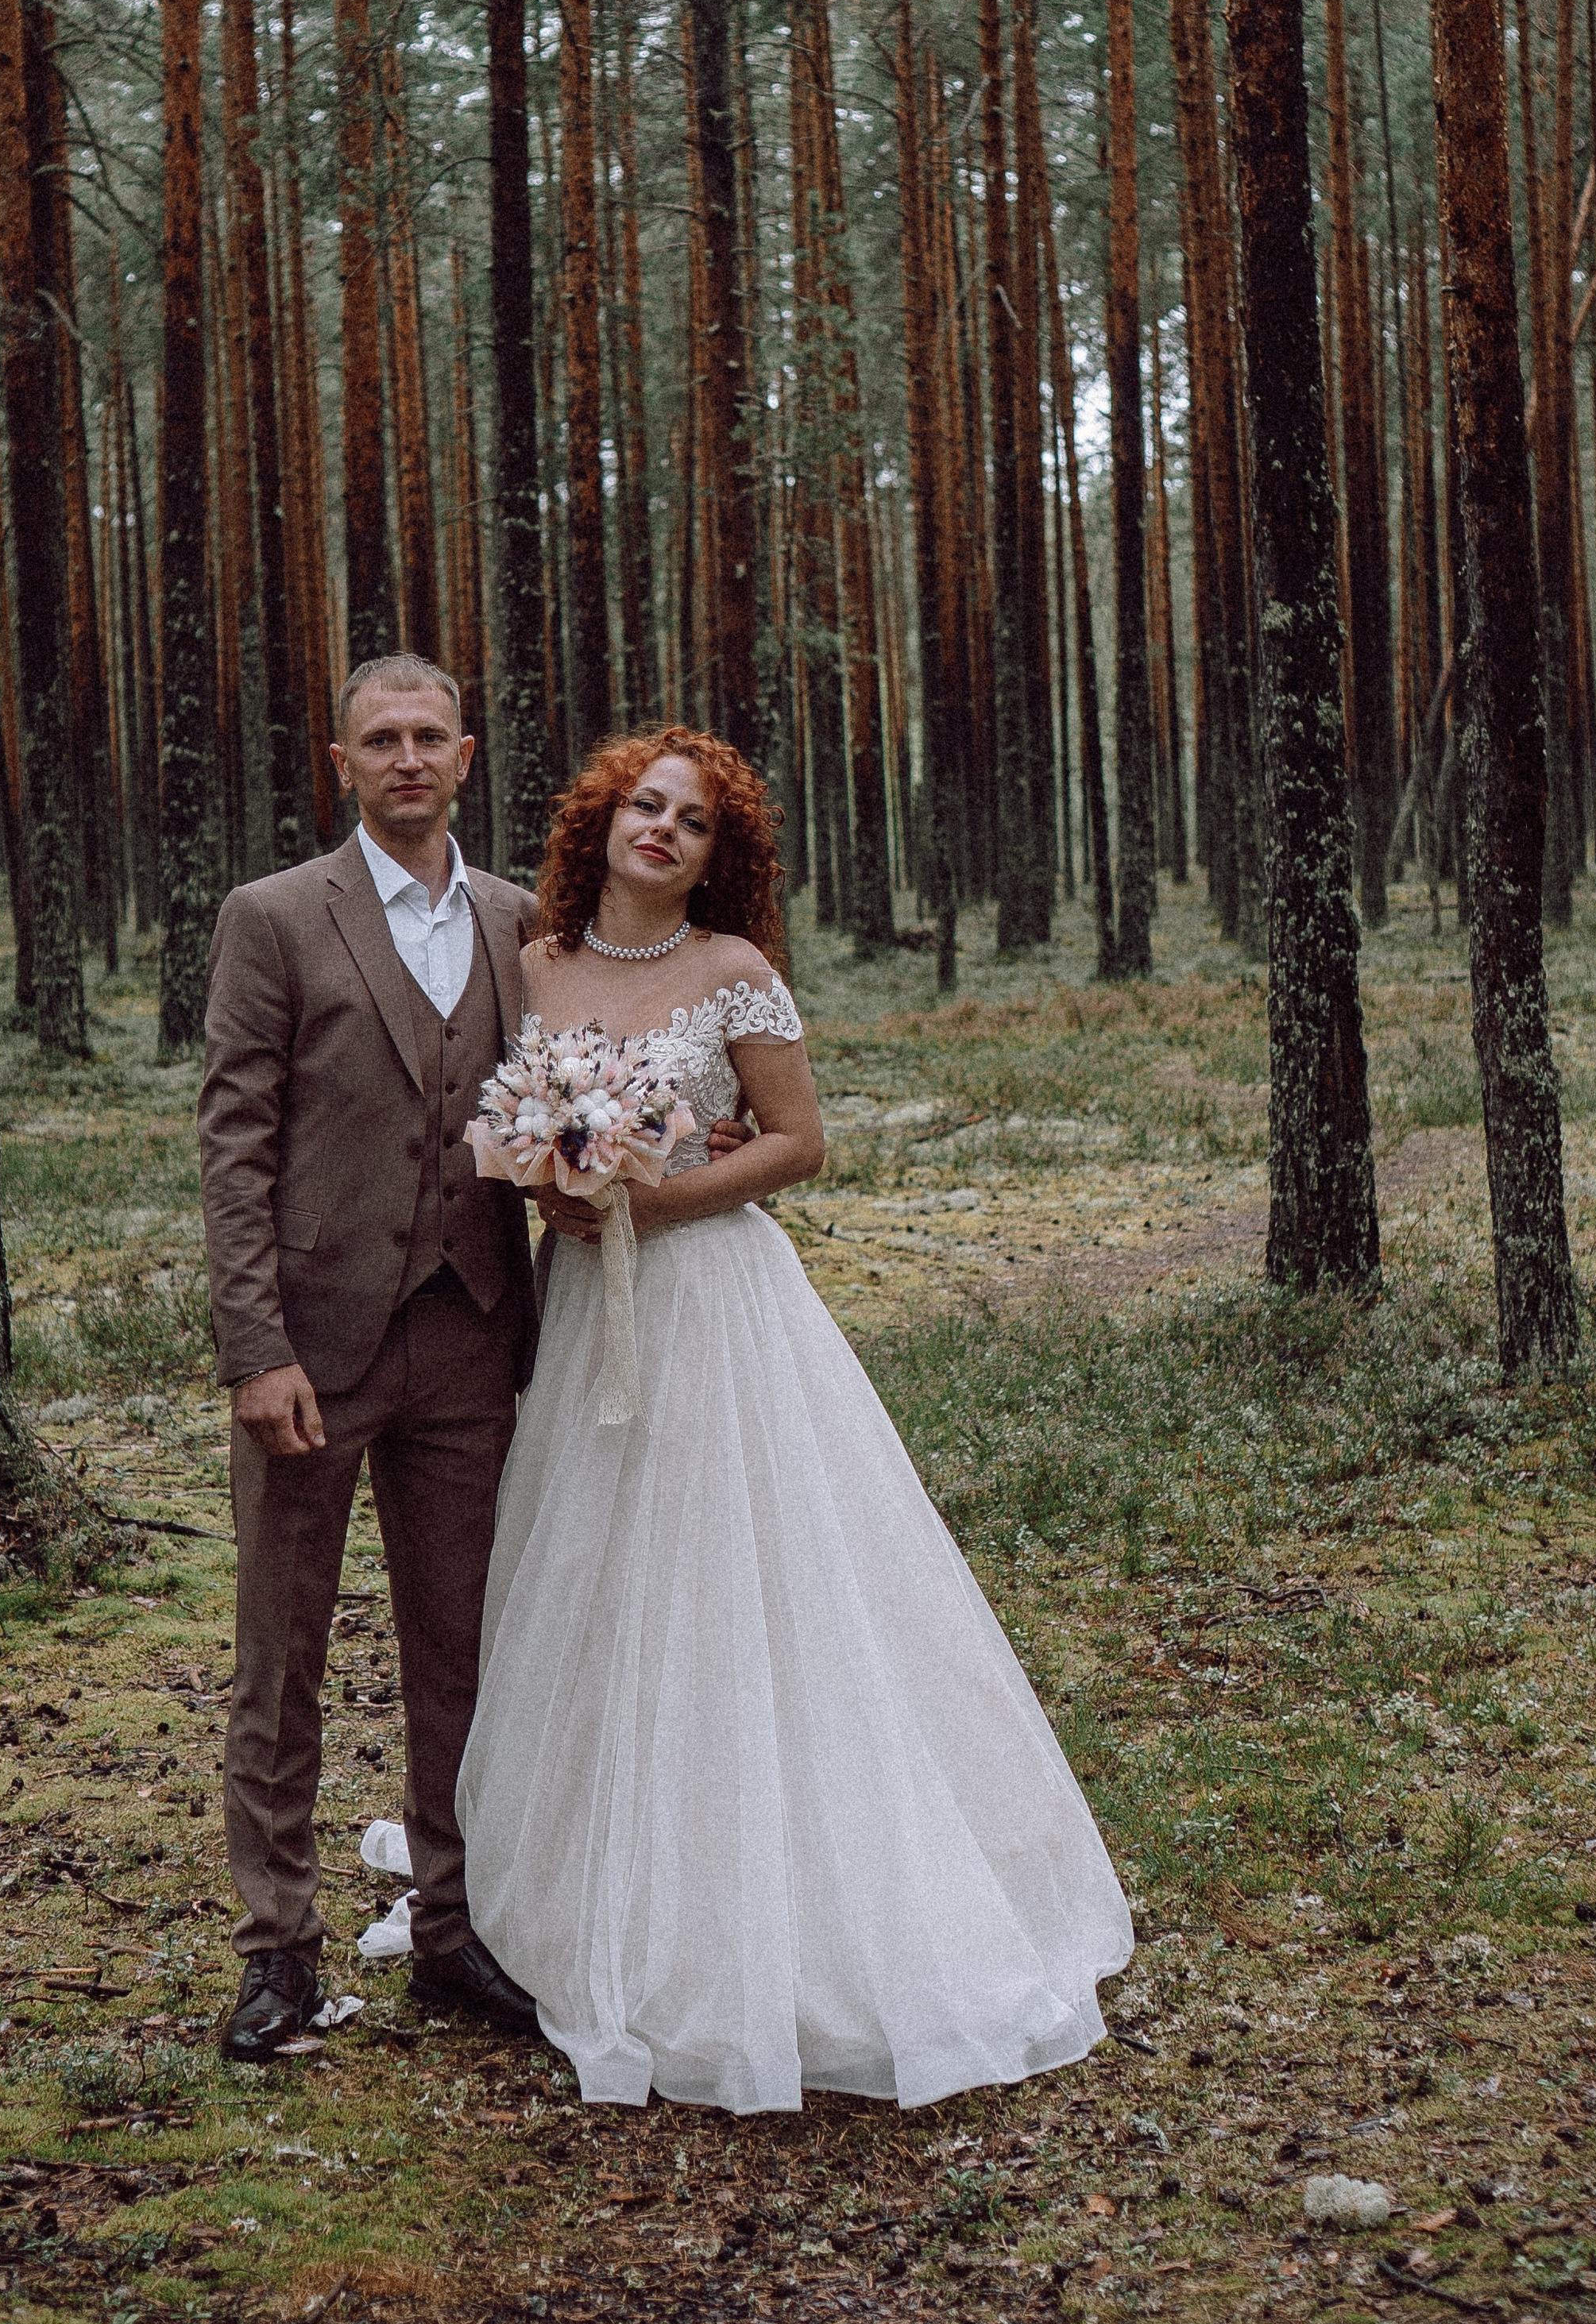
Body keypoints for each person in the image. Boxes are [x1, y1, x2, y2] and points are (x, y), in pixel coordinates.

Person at [453, 727, 1134, 2113]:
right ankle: (601, 1882)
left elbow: (797, 1145)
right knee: (593, 1584)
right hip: (585, 1308)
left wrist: (650, 1197)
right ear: (603, 821)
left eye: (692, 823)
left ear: (721, 853)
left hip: (714, 1307)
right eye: (645, 807)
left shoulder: (736, 975)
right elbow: (523, 1132)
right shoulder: (541, 965)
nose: (662, 832)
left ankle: (782, 1902)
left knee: (740, 1579)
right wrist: (556, 1186)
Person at [196, 656, 550, 2060]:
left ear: (466, 757)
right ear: (339, 762)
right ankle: (275, 1954)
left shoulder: (526, 922)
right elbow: (233, 1143)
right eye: (379, 740)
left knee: (463, 1650)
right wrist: (254, 1345)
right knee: (277, 1659)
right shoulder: (276, 917)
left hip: (472, 1339)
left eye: (429, 738)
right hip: (313, 1354)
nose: (407, 759)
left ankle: (457, 1932)